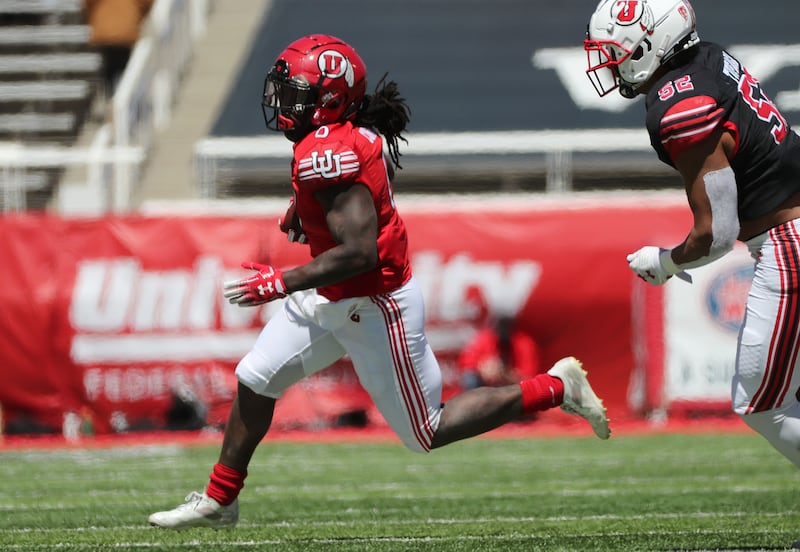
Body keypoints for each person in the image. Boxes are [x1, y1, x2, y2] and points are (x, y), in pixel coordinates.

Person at [148, 34, 610, 530]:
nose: (282, 103)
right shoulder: (339, 139)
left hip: (374, 303)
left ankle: (557, 387)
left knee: (426, 430)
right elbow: (347, 212)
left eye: (296, 93)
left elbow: (359, 252)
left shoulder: (331, 152)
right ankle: (221, 501)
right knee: (257, 379)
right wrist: (305, 215)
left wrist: (281, 281)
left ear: (329, 99)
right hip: (331, 297)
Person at [584, 0, 800, 469]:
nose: (610, 62)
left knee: (762, 403)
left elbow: (716, 233)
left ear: (651, 43)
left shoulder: (680, 104)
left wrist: (665, 263)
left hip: (790, 241)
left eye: (617, 51)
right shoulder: (708, 58)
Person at [84, 0, 153, 98]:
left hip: (104, 31)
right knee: (124, 68)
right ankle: (119, 97)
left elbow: (87, 4)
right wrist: (138, 16)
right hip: (125, 31)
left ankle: (111, 97)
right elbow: (147, 3)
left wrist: (93, 18)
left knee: (109, 68)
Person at [457, 315, 542, 390]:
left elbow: (529, 378)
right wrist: (482, 368)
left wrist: (506, 375)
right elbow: (466, 363)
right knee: (470, 378)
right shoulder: (485, 338)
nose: (503, 331)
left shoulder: (524, 343)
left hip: (512, 387)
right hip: (487, 384)